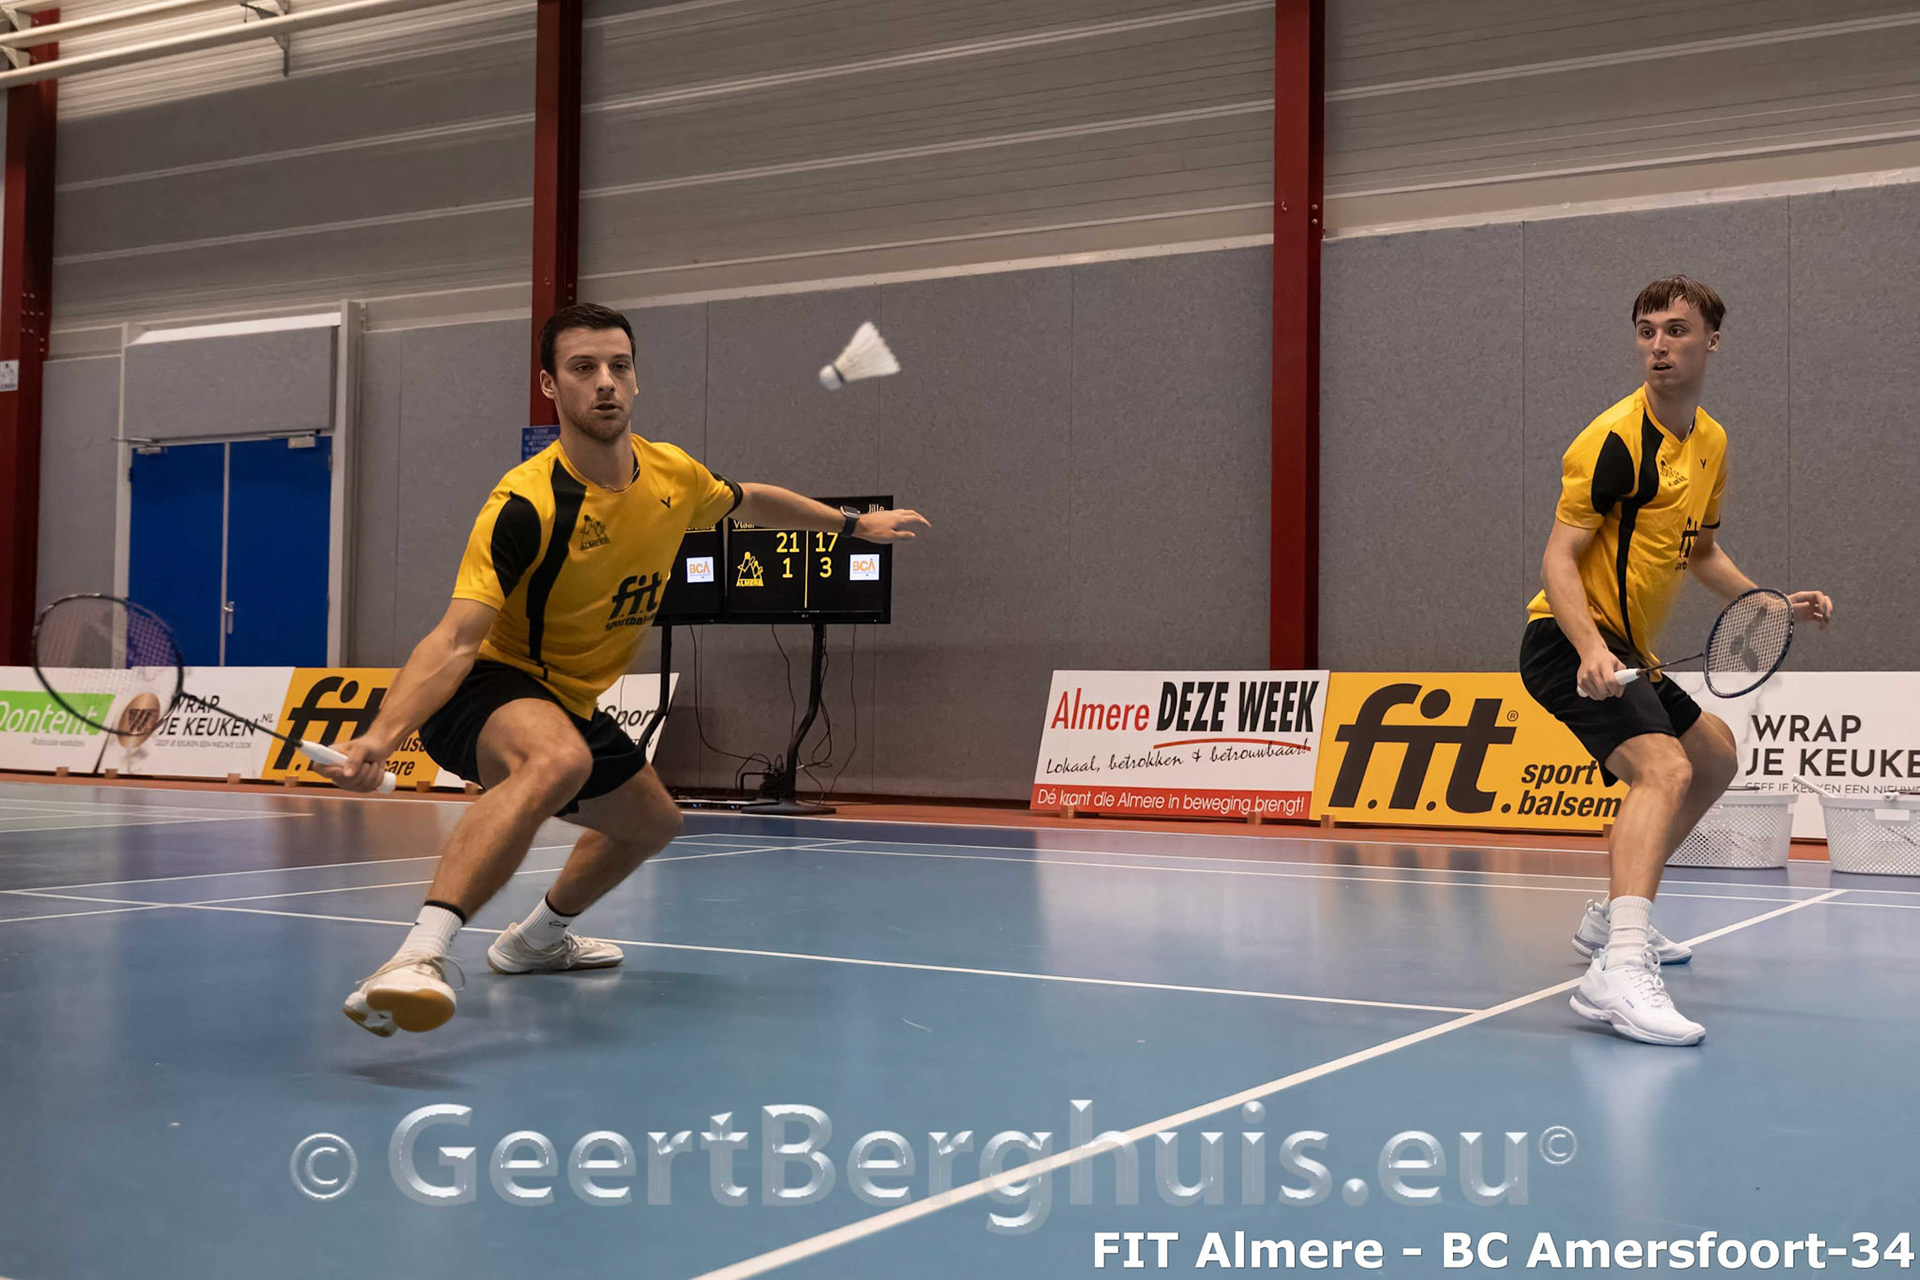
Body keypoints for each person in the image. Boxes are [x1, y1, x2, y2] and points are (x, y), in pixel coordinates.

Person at [319, 302, 931, 1036]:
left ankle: (536, 942)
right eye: (583, 368)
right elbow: (453, 638)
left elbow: (752, 500)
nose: (605, 382)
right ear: (551, 386)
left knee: (651, 823)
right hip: (489, 684)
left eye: (619, 366)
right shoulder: (525, 504)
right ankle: (415, 956)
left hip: (570, 699)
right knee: (556, 761)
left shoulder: (672, 474)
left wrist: (853, 524)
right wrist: (380, 737)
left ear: (636, 379)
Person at [1519, 275, 1831, 1047]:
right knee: (1663, 769)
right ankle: (1619, 969)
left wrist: (1767, 603)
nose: (1659, 345)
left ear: (1710, 341)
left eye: (1677, 330)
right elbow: (1558, 557)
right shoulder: (1612, 441)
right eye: (1647, 331)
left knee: (1714, 755)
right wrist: (1591, 648)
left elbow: (1701, 552)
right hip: (1567, 641)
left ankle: (1608, 920)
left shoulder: (1711, 442)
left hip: (1630, 648)